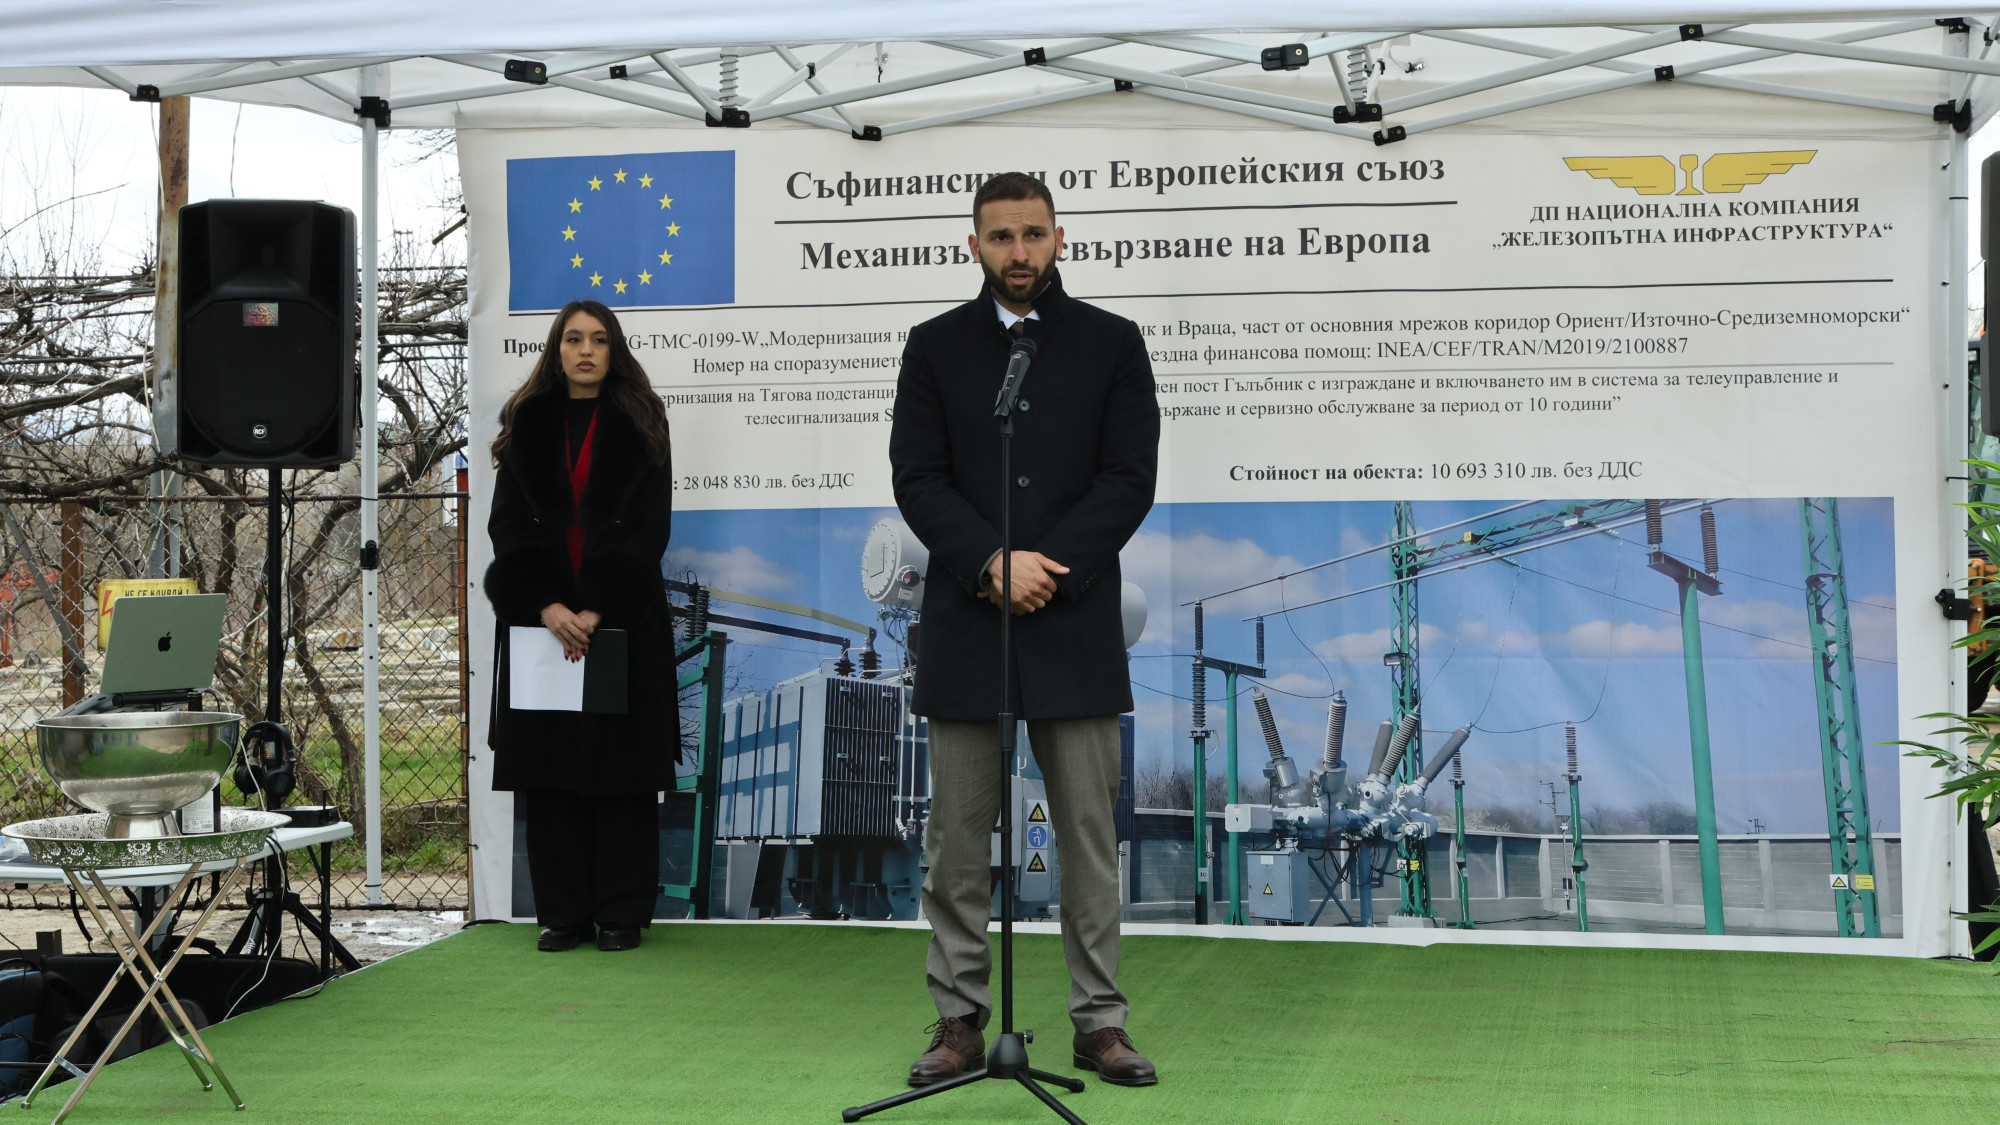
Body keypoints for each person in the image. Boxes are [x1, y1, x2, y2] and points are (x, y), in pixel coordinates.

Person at [888, 173, 1161, 1087]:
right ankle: (958, 1020)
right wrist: (990, 562)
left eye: (1033, 234)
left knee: (1086, 837)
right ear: (973, 245)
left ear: (1058, 239)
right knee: (956, 843)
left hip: (1073, 623)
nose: (1018, 251)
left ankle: (1100, 1022)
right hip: (969, 622)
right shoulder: (934, 346)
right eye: (1000, 236)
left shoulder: (1112, 342)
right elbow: (918, 476)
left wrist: (1050, 566)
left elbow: (1129, 477)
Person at [484, 299, 675, 954]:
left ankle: (621, 912)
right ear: (556, 349)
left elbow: (650, 527)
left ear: (613, 349)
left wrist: (596, 607)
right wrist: (546, 605)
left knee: (622, 769)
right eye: (573, 339)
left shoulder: (643, 420)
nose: (585, 350)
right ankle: (562, 914)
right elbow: (506, 524)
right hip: (542, 625)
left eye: (598, 339)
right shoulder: (525, 419)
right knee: (551, 767)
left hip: (620, 621)